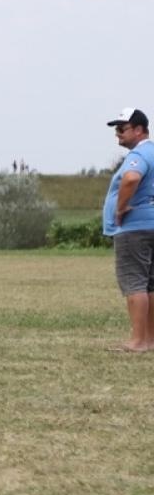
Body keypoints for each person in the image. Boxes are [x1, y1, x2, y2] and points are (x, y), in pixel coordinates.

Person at [101, 108, 154, 351]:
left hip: (134, 228)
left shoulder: (140, 153)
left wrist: (120, 207)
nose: (118, 134)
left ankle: (138, 341)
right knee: (150, 285)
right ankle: (150, 339)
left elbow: (131, 178)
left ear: (139, 130)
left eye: (122, 129)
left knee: (135, 283)